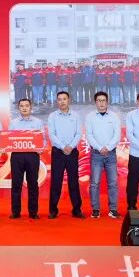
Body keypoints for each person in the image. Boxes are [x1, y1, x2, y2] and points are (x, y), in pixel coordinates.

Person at [47, 91, 83, 219]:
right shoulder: (52, 116)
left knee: (73, 182)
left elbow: (78, 133)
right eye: (59, 99)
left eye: (64, 99)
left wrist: (71, 146)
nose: (62, 101)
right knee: (56, 182)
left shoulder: (76, 116)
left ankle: (77, 210)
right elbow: (52, 134)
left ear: (69, 100)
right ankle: (53, 210)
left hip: (72, 152)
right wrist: (63, 147)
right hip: (58, 152)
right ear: (57, 101)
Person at [85, 91, 121, 219]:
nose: (101, 103)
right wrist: (100, 148)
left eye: (103, 100)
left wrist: (108, 147)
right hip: (96, 154)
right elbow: (89, 135)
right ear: (95, 102)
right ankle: (95, 209)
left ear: (107, 102)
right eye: (99, 100)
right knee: (95, 183)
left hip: (111, 154)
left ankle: (113, 209)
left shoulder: (114, 117)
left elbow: (117, 135)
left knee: (113, 183)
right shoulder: (90, 117)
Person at [8, 98, 45, 219]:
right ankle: (15, 212)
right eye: (22, 106)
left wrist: (41, 147)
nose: (24, 108)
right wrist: (5, 145)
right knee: (16, 184)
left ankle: (33, 212)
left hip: (32, 156)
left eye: (27, 106)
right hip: (17, 156)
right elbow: (8, 138)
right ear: (18, 108)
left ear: (31, 107)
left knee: (33, 184)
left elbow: (43, 139)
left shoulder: (38, 122)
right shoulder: (13, 123)